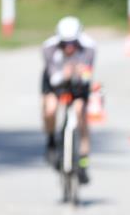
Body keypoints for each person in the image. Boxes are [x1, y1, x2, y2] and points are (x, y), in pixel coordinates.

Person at [41, 16, 96, 183]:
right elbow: (53, 79)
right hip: (55, 82)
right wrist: (64, 73)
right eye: (65, 43)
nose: (69, 47)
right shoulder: (49, 48)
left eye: (72, 43)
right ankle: (51, 141)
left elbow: (88, 75)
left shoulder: (89, 47)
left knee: (81, 113)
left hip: (78, 84)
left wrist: (81, 74)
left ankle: (83, 162)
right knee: (50, 109)